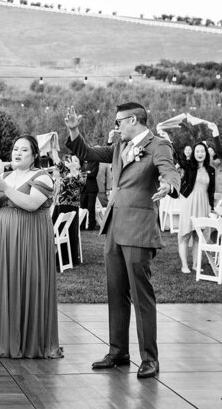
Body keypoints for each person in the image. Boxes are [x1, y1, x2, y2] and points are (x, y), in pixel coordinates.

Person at [64, 103, 180, 379]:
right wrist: (73, 129)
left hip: (139, 229)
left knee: (141, 295)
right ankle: (118, 352)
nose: (115, 127)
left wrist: (169, 185)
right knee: (115, 292)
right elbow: (87, 152)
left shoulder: (158, 145)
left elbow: (170, 170)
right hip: (114, 228)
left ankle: (150, 359)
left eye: (118, 122)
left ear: (132, 120)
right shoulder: (119, 146)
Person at [0, 135, 62, 359]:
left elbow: (30, 204)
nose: (17, 153)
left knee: (29, 281)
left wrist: (4, 188)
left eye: (24, 150)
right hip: (6, 239)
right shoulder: (6, 176)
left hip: (30, 238)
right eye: (15, 149)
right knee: (8, 282)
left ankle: (31, 342)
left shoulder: (42, 177)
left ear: (34, 155)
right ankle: (7, 340)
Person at [177, 142, 215, 273]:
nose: (200, 154)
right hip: (190, 202)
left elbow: (211, 191)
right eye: (197, 151)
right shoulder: (189, 166)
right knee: (186, 234)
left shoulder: (211, 170)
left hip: (203, 203)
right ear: (193, 153)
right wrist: (168, 140)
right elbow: (178, 158)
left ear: (206, 153)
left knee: (198, 236)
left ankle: (195, 264)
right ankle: (184, 265)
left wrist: (212, 206)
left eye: (202, 151)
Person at [51, 153, 86, 266]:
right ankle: (55, 255)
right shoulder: (66, 173)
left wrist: (73, 171)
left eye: (76, 161)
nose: (72, 163)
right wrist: (53, 147)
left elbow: (80, 184)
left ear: (80, 165)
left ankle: (67, 258)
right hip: (59, 206)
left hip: (71, 207)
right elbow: (57, 160)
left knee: (67, 233)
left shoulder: (82, 175)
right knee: (55, 231)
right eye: (71, 161)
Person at [80, 159, 100, 230]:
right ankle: (81, 225)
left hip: (92, 188)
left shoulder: (95, 162)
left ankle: (91, 226)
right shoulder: (81, 162)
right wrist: (87, 173)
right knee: (82, 207)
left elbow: (93, 174)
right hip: (83, 189)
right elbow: (79, 174)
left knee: (91, 208)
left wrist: (84, 174)